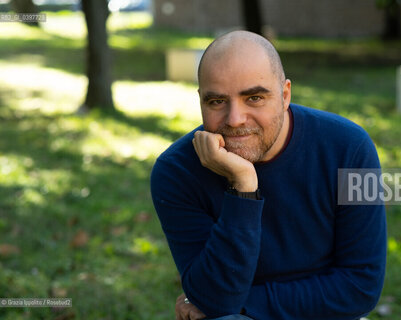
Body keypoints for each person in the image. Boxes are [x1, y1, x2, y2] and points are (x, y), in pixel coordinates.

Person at [150, 30, 386, 320]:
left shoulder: (350, 149)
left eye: (254, 98)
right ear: (200, 100)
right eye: (216, 102)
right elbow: (215, 297)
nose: (235, 119)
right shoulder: (176, 171)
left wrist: (244, 304)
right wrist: (243, 188)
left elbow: (361, 286)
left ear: (285, 95)